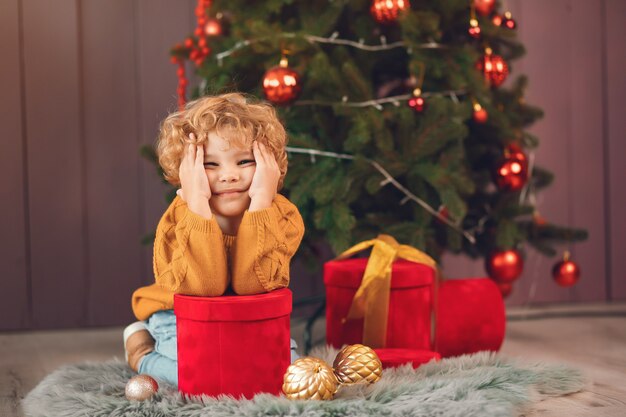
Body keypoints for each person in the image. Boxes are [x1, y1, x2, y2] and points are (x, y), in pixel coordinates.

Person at [123, 93, 305, 386]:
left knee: (287, 370)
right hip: (181, 316)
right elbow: (203, 288)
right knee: (203, 378)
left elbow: (254, 286)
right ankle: (142, 351)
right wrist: (198, 205)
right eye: (210, 165)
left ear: (268, 163)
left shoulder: (283, 216)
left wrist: (260, 201)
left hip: (243, 319)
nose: (229, 175)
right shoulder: (178, 218)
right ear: (187, 170)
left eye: (244, 161)